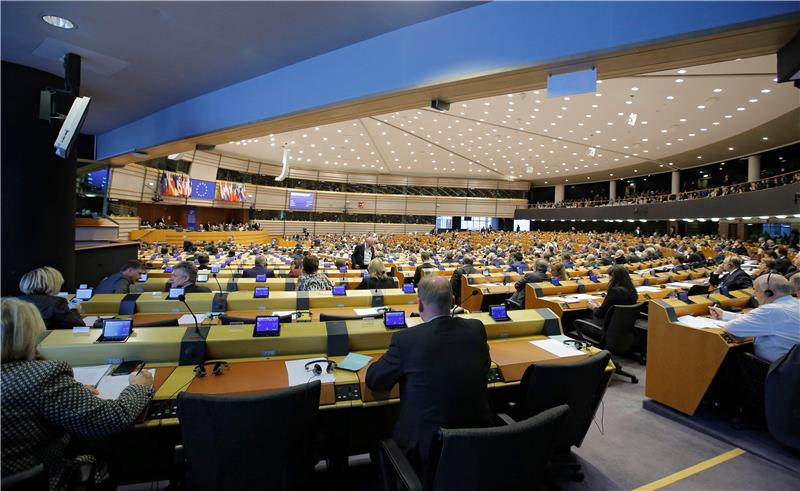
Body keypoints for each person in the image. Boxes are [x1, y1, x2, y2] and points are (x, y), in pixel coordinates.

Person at [1, 298, 154, 490]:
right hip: (45, 479)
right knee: (108, 455)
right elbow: (111, 419)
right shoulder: (41, 375)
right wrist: (140, 387)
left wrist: (68, 391)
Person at [365, 276, 495, 486]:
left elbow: (375, 381)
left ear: (420, 303)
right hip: (476, 443)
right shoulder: (476, 329)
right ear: (453, 301)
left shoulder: (406, 340)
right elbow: (485, 365)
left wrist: (374, 363)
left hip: (425, 450)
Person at [710, 274, 800, 363]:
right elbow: (756, 319)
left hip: (774, 370)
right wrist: (724, 315)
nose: (754, 294)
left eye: (756, 290)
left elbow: (732, 327)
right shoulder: (796, 303)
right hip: (793, 368)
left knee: (731, 359)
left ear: (768, 292)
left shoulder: (770, 310)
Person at [18, 267, 83, 330]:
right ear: (53, 284)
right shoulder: (56, 302)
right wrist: (75, 310)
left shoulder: (16, 302)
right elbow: (79, 326)